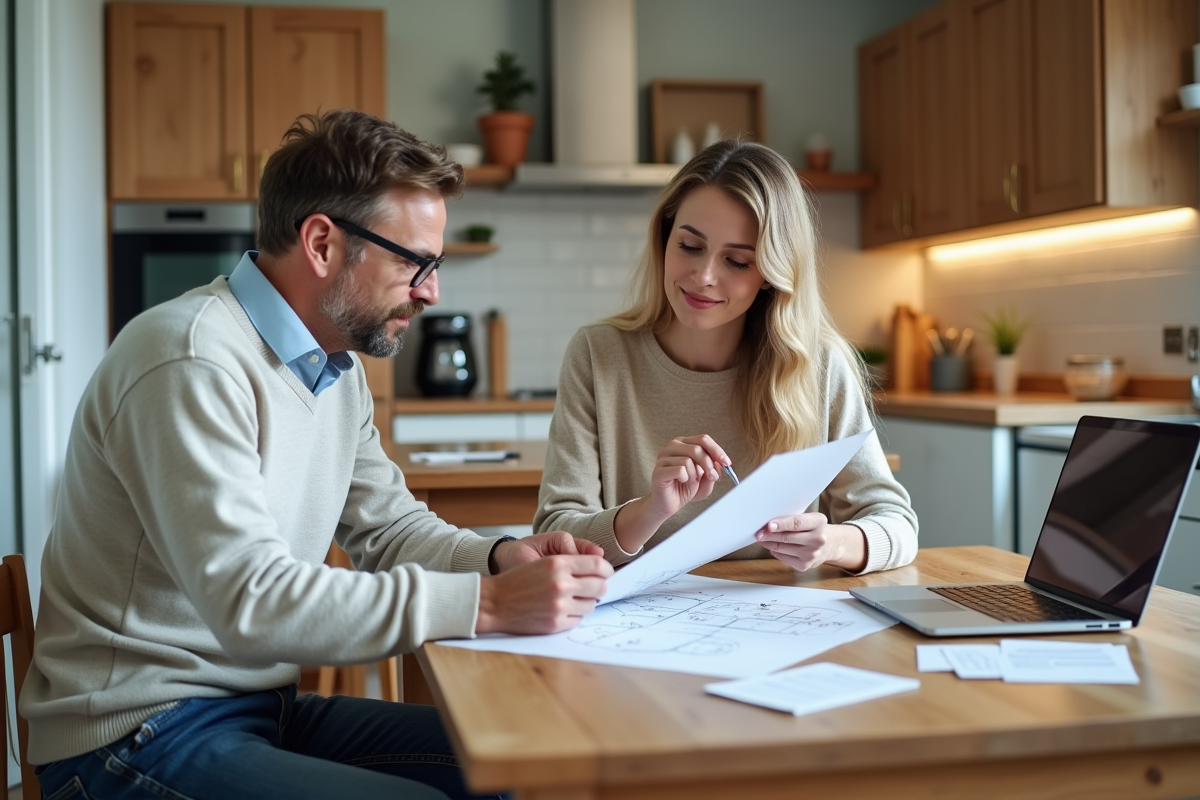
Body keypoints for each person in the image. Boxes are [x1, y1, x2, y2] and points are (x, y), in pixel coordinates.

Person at [21, 109, 612, 800]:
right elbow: (250, 599)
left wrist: (498, 557)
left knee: (518, 763)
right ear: (323, 243)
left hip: (257, 709)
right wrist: (486, 604)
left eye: (436, 265)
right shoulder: (190, 359)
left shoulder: (333, 371)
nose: (431, 291)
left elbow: (389, 531)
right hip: (133, 731)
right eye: (413, 262)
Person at [535, 139, 917, 575]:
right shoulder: (598, 355)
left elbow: (898, 526)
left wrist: (831, 543)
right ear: (664, 240)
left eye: (736, 261)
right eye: (690, 247)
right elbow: (554, 532)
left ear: (772, 276)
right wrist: (651, 510)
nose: (704, 277)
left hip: (776, 621)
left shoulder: (819, 364)